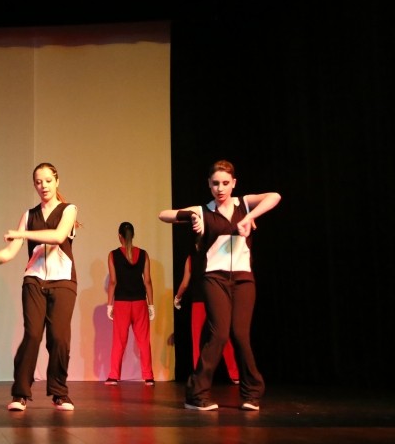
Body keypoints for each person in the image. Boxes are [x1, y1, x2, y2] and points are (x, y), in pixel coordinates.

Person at [159, 159, 280, 411]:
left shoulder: (245, 204)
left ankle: (251, 393)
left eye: (225, 183)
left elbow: (274, 196)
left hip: (244, 279)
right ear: (209, 185)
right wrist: (191, 215)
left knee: (240, 335)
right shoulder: (204, 210)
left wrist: (250, 218)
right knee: (220, 333)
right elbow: (164, 215)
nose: (220, 188)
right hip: (214, 278)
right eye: (215, 184)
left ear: (234, 183)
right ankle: (197, 394)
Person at [0, 162, 78, 412]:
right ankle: (20, 393)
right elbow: (9, 252)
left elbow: (58, 236)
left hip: (63, 281)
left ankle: (60, 393)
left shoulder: (69, 210)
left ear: (57, 181)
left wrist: (23, 235)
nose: (43, 186)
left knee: (59, 337)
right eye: (38, 182)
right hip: (34, 280)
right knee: (33, 334)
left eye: (48, 180)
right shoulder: (29, 216)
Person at [175, 253, 239, 384]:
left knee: (198, 339)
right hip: (216, 300)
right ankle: (235, 373)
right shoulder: (215, 254)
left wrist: (177, 297)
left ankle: (199, 375)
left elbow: (185, 283)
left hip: (199, 302)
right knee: (223, 337)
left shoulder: (191, 259)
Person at [105, 221, 156, 386]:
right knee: (143, 341)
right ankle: (148, 377)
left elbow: (113, 282)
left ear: (119, 236)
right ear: (132, 236)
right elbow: (147, 281)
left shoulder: (113, 255)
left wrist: (109, 305)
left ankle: (114, 376)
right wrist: (151, 304)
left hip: (121, 304)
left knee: (119, 341)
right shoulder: (143, 254)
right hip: (140, 302)